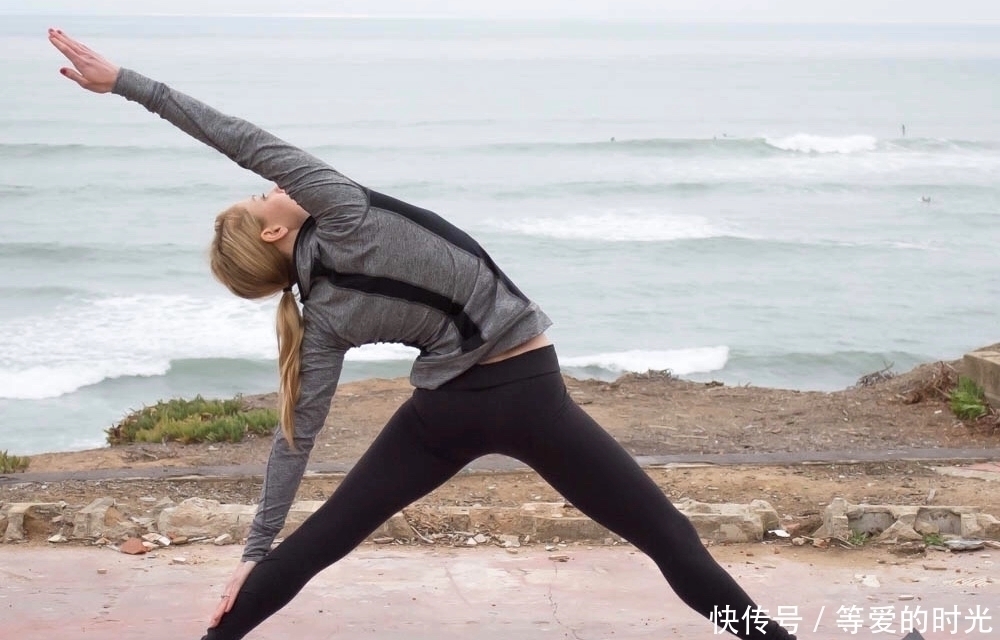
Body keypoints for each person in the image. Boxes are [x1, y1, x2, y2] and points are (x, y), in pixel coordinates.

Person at [48, 28, 798, 640]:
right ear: (277, 228)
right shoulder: (337, 206)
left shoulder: (320, 323)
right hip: (530, 394)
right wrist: (127, 85)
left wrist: (253, 556)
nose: (270, 183)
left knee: (315, 547)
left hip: (445, 414)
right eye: (261, 196)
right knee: (667, 539)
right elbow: (239, 136)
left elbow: (292, 446)